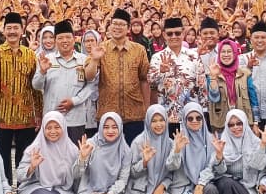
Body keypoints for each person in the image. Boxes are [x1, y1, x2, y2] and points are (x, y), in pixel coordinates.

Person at [0, 14, 41, 183]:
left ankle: (23, 188)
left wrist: (39, 114)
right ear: (4, 31)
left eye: (16, 28)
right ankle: (4, 191)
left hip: (25, 116)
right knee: (1, 156)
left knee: (24, 155)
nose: (12, 32)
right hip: (0, 115)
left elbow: (36, 87)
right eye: (9, 28)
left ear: (22, 31)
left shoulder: (30, 55)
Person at [15, 111, 83, 194]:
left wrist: (82, 161)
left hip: (63, 191)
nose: (53, 131)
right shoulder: (34, 148)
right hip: (35, 188)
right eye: (48, 127)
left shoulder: (72, 150)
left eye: (57, 127)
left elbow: (77, 178)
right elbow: (20, 176)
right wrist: (32, 167)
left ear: (63, 127)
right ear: (43, 129)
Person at [85, 9, 151, 144]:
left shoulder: (139, 50)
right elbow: (89, 76)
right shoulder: (100, 48)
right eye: (114, 23)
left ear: (128, 28)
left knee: (134, 153)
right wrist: (95, 60)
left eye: (121, 24)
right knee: (108, 154)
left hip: (135, 114)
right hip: (108, 115)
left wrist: (146, 108)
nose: (117, 27)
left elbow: (144, 79)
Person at [75, 112, 134, 194]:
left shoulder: (125, 150)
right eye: (106, 127)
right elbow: (76, 175)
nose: (110, 131)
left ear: (120, 128)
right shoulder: (90, 144)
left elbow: (123, 180)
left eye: (114, 127)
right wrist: (82, 159)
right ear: (100, 127)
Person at [33, 20, 95, 144]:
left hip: (76, 119)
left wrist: (74, 101)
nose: (65, 41)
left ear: (74, 39)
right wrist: (42, 72)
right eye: (60, 38)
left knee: (75, 156)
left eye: (68, 37)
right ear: (56, 41)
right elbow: (36, 85)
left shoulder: (84, 60)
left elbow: (91, 85)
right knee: (52, 158)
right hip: (52, 119)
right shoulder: (47, 60)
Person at [126, 105, 180, 194]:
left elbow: (172, 172)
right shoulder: (139, 142)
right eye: (154, 121)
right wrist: (144, 162)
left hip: (159, 191)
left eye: (161, 120)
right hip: (139, 192)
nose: (158, 124)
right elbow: (130, 173)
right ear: (148, 122)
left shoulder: (170, 143)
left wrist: (162, 186)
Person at [173, 102, 224, 194]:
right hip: (182, 190)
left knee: (211, 189)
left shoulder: (210, 139)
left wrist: (200, 185)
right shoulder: (179, 140)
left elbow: (215, 169)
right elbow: (171, 167)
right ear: (184, 120)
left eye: (198, 118)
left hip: (203, 186)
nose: (195, 121)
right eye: (190, 118)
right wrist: (177, 151)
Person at [148, 17, 208, 131]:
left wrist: (204, 110)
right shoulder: (157, 57)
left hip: (191, 116)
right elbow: (151, 82)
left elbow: (202, 85)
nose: (174, 36)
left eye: (177, 33)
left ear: (183, 33)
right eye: (170, 34)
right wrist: (160, 72)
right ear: (164, 35)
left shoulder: (194, 56)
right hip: (167, 116)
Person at [215, 109, 261, 194]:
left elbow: (261, 167)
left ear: (245, 123)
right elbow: (218, 172)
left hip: (247, 188)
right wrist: (219, 157)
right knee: (226, 182)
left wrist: (263, 148)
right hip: (226, 188)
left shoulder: (256, 143)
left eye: (239, 123)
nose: (236, 127)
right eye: (231, 124)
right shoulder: (222, 143)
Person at [207, 39, 256, 130]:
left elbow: (253, 99)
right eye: (223, 52)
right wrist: (213, 77)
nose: (226, 55)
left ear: (235, 53)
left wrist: (256, 122)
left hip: (243, 122)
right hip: (221, 124)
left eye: (229, 51)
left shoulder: (245, 73)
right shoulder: (213, 74)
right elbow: (214, 98)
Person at [242, 22, 266, 133]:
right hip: (250, 114)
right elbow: (239, 83)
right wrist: (248, 67)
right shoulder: (243, 59)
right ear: (250, 40)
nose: (260, 40)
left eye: (263, 37)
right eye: (256, 37)